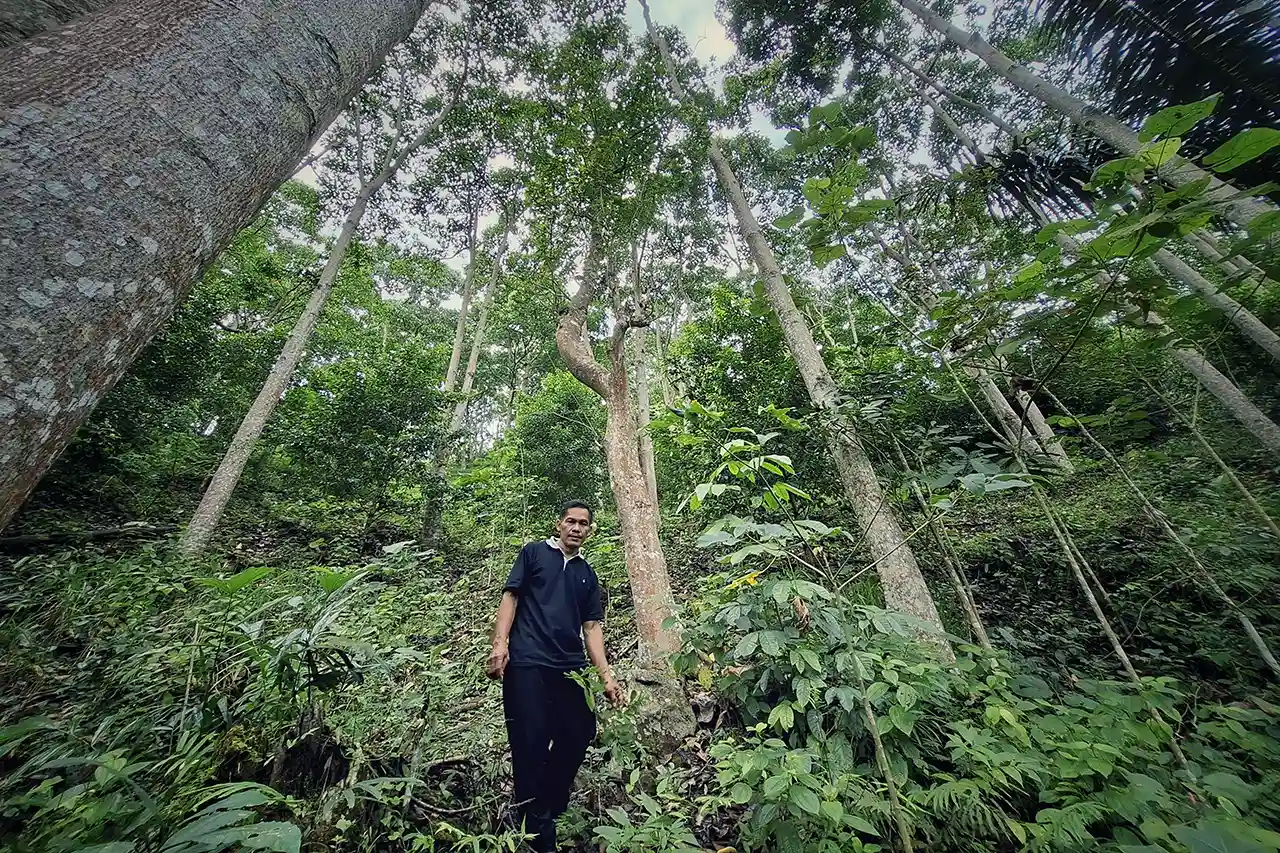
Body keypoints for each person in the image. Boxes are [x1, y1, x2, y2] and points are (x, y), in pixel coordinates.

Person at [486, 500, 623, 853]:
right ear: (559, 524)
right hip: (528, 662)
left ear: (589, 531)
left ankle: (549, 798)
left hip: (570, 666)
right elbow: (510, 597)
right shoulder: (533, 554)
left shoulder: (587, 575)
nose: (576, 528)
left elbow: (592, 627)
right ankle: (538, 828)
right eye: (570, 521)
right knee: (528, 742)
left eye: (583, 524)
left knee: (580, 731)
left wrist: (606, 676)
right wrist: (499, 645)